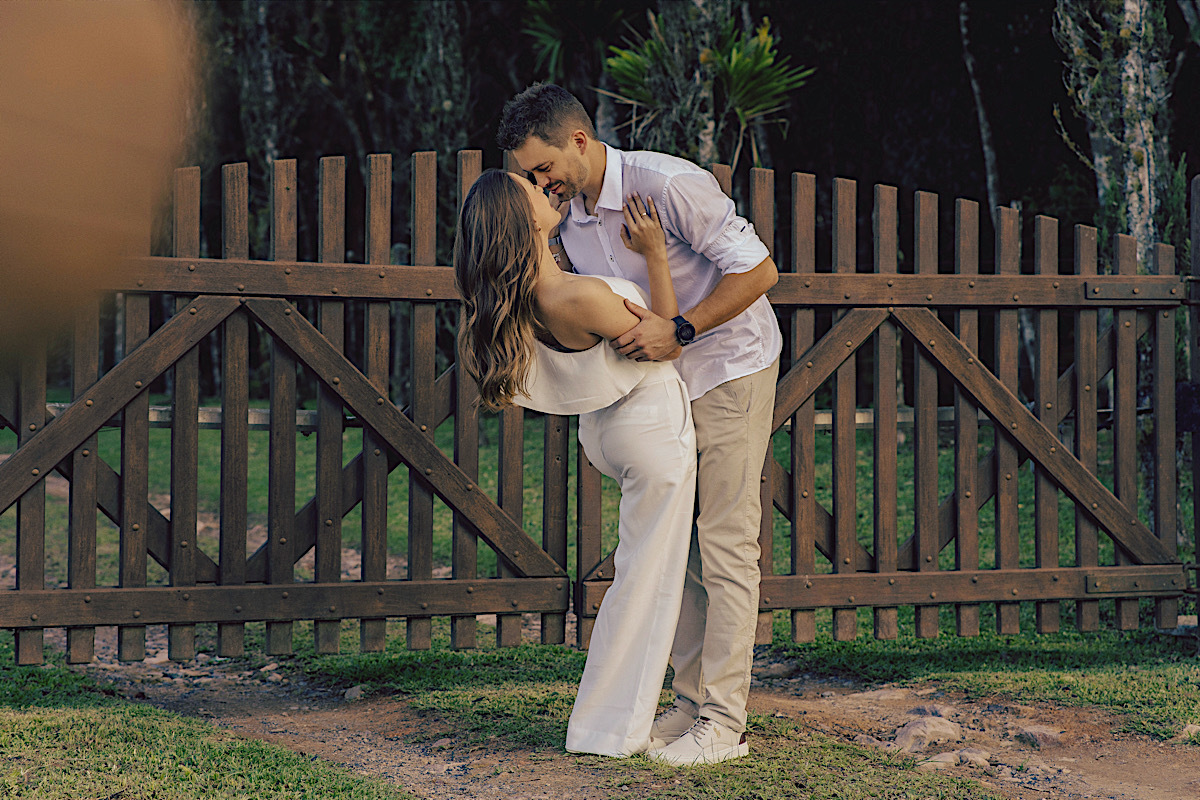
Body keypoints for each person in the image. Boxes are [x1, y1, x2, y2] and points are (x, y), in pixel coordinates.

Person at [498, 83, 781, 766]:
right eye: (531, 177)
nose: (541, 184)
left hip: (728, 369)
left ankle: (724, 723)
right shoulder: (566, 220)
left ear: (579, 141)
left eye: (544, 169)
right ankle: (688, 703)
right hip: (664, 392)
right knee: (679, 551)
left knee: (726, 545)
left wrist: (680, 328)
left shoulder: (668, 185)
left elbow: (760, 270)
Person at [454, 169, 697, 757]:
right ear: (523, 220)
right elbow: (666, 338)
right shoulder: (576, 296)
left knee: (647, 574)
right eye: (532, 190)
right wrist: (655, 255)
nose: (545, 189)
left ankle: (611, 723)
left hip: (608, 432)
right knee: (648, 582)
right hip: (650, 430)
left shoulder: (534, 293)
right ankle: (612, 730)